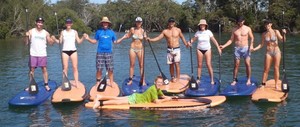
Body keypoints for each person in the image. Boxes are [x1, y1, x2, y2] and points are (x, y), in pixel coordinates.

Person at [93, 75, 175, 109]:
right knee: (118, 102)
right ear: (155, 82)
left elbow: (163, 95)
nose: (160, 84)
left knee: (117, 99)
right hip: (136, 100)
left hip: (136, 96)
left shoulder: (158, 89)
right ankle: (100, 103)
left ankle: (100, 97)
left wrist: (169, 97)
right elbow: (156, 102)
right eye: (158, 82)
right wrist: (166, 100)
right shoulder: (153, 89)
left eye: (161, 83)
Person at [147, 17, 188, 83]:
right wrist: (150, 40)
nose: (171, 23)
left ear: (174, 23)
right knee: (171, 64)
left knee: (177, 64)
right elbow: (158, 37)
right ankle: (172, 77)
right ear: (168, 23)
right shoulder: (165, 31)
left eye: (172, 22)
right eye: (170, 22)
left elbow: (182, 37)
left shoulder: (178, 30)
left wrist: (186, 44)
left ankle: (178, 78)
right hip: (169, 49)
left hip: (177, 49)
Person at [252, 19, 286, 89]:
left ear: (271, 24)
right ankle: (263, 84)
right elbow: (261, 45)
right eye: (265, 24)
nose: (266, 25)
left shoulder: (276, 31)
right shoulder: (264, 34)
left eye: (268, 24)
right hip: (268, 52)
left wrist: (284, 34)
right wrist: (254, 49)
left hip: (276, 51)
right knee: (266, 69)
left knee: (276, 68)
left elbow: (283, 40)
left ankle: (276, 84)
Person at [220, 16, 254, 85]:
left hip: (246, 48)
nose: (240, 23)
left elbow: (252, 37)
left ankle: (248, 79)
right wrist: (223, 46)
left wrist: (251, 45)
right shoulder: (234, 29)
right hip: (237, 49)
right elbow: (231, 40)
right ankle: (235, 79)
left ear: (243, 21)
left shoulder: (247, 28)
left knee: (247, 64)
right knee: (236, 65)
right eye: (238, 22)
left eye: (241, 21)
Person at [51, 18, 85, 87]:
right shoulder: (63, 32)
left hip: (73, 51)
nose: (68, 24)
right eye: (67, 23)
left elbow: (78, 42)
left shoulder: (74, 32)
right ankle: (65, 83)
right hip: (65, 51)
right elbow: (60, 42)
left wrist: (83, 38)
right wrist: (54, 39)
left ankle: (76, 83)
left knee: (75, 67)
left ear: (71, 24)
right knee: (65, 68)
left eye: (70, 23)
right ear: (66, 24)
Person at [84, 17, 117, 86]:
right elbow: (94, 41)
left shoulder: (111, 32)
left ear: (108, 24)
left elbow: (115, 41)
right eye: (104, 22)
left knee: (110, 69)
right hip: (100, 52)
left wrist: (123, 38)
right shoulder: (98, 32)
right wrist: (88, 38)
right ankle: (98, 82)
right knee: (99, 69)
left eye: (106, 22)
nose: (105, 24)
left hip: (109, 53)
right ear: (102, 23)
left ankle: (111, 82)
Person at [188, 19, 222, 85]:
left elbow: (214, 40)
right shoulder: (198, 33)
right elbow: (193, 39)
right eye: (201, 25)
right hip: (199, 49)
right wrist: (189, 42)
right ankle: (198, 79)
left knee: (208, 64)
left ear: (205, 25)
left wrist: (218, 48)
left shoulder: (208, 32)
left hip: (207, 49)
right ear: (200, 26)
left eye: (203, 25)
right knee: (199, 65)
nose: (202, 26)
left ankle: (212, 79)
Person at [25, 17, 55, 91]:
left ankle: (46, 85)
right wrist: (26, 36)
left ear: (43, 24)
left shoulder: (46, 33)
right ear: (36, 22)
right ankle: (30, 85)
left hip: (42, 54)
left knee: (44, 69)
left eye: (41, 22)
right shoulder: (31, 31)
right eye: (38, 22)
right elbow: (26, 43)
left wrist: (52, 39)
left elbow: (50, 43)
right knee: (31, 70)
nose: (40, 23)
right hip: (33, 53)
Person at [116, 17, 147, 85]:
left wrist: (146, 37)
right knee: (132, 65)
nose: (138, 23)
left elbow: (146, 39)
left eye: (139, 22)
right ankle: (130, 80)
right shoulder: (132, 29)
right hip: (132, 48)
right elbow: (128, 36)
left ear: (141, 23)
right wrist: (122, 38)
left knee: (141, 65)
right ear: (135, 22)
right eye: (137, 22)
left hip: (140, 49)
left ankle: (143, 80)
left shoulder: (143, 31)